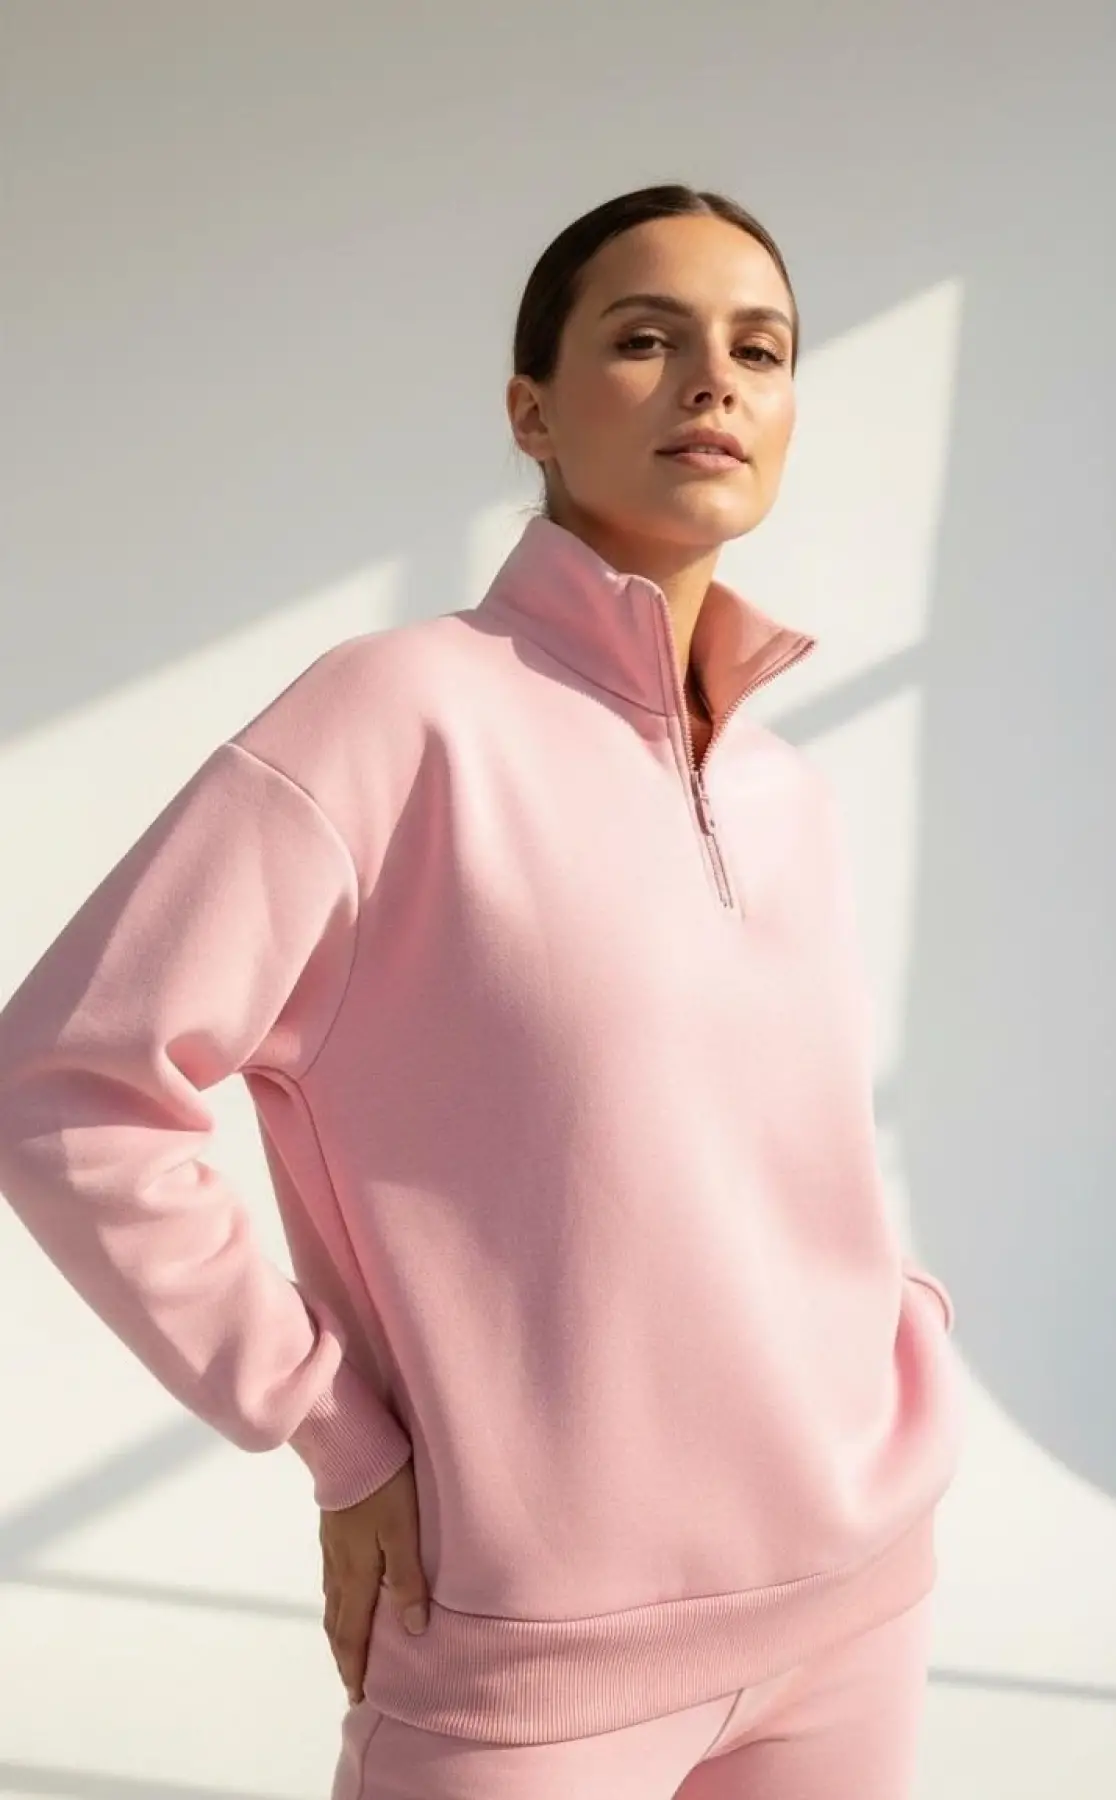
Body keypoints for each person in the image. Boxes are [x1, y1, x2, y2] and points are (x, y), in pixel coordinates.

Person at [0, 182, 966, 1799]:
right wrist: (331, 1425)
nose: (713, 382)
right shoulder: (391, 722)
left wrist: (899, 1325)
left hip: (859, 1598)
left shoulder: (790, 790)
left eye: (760, 349)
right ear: (532, 411)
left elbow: (784, 1162)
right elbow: (64, 1082)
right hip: (527, 1653)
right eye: (645, 340)